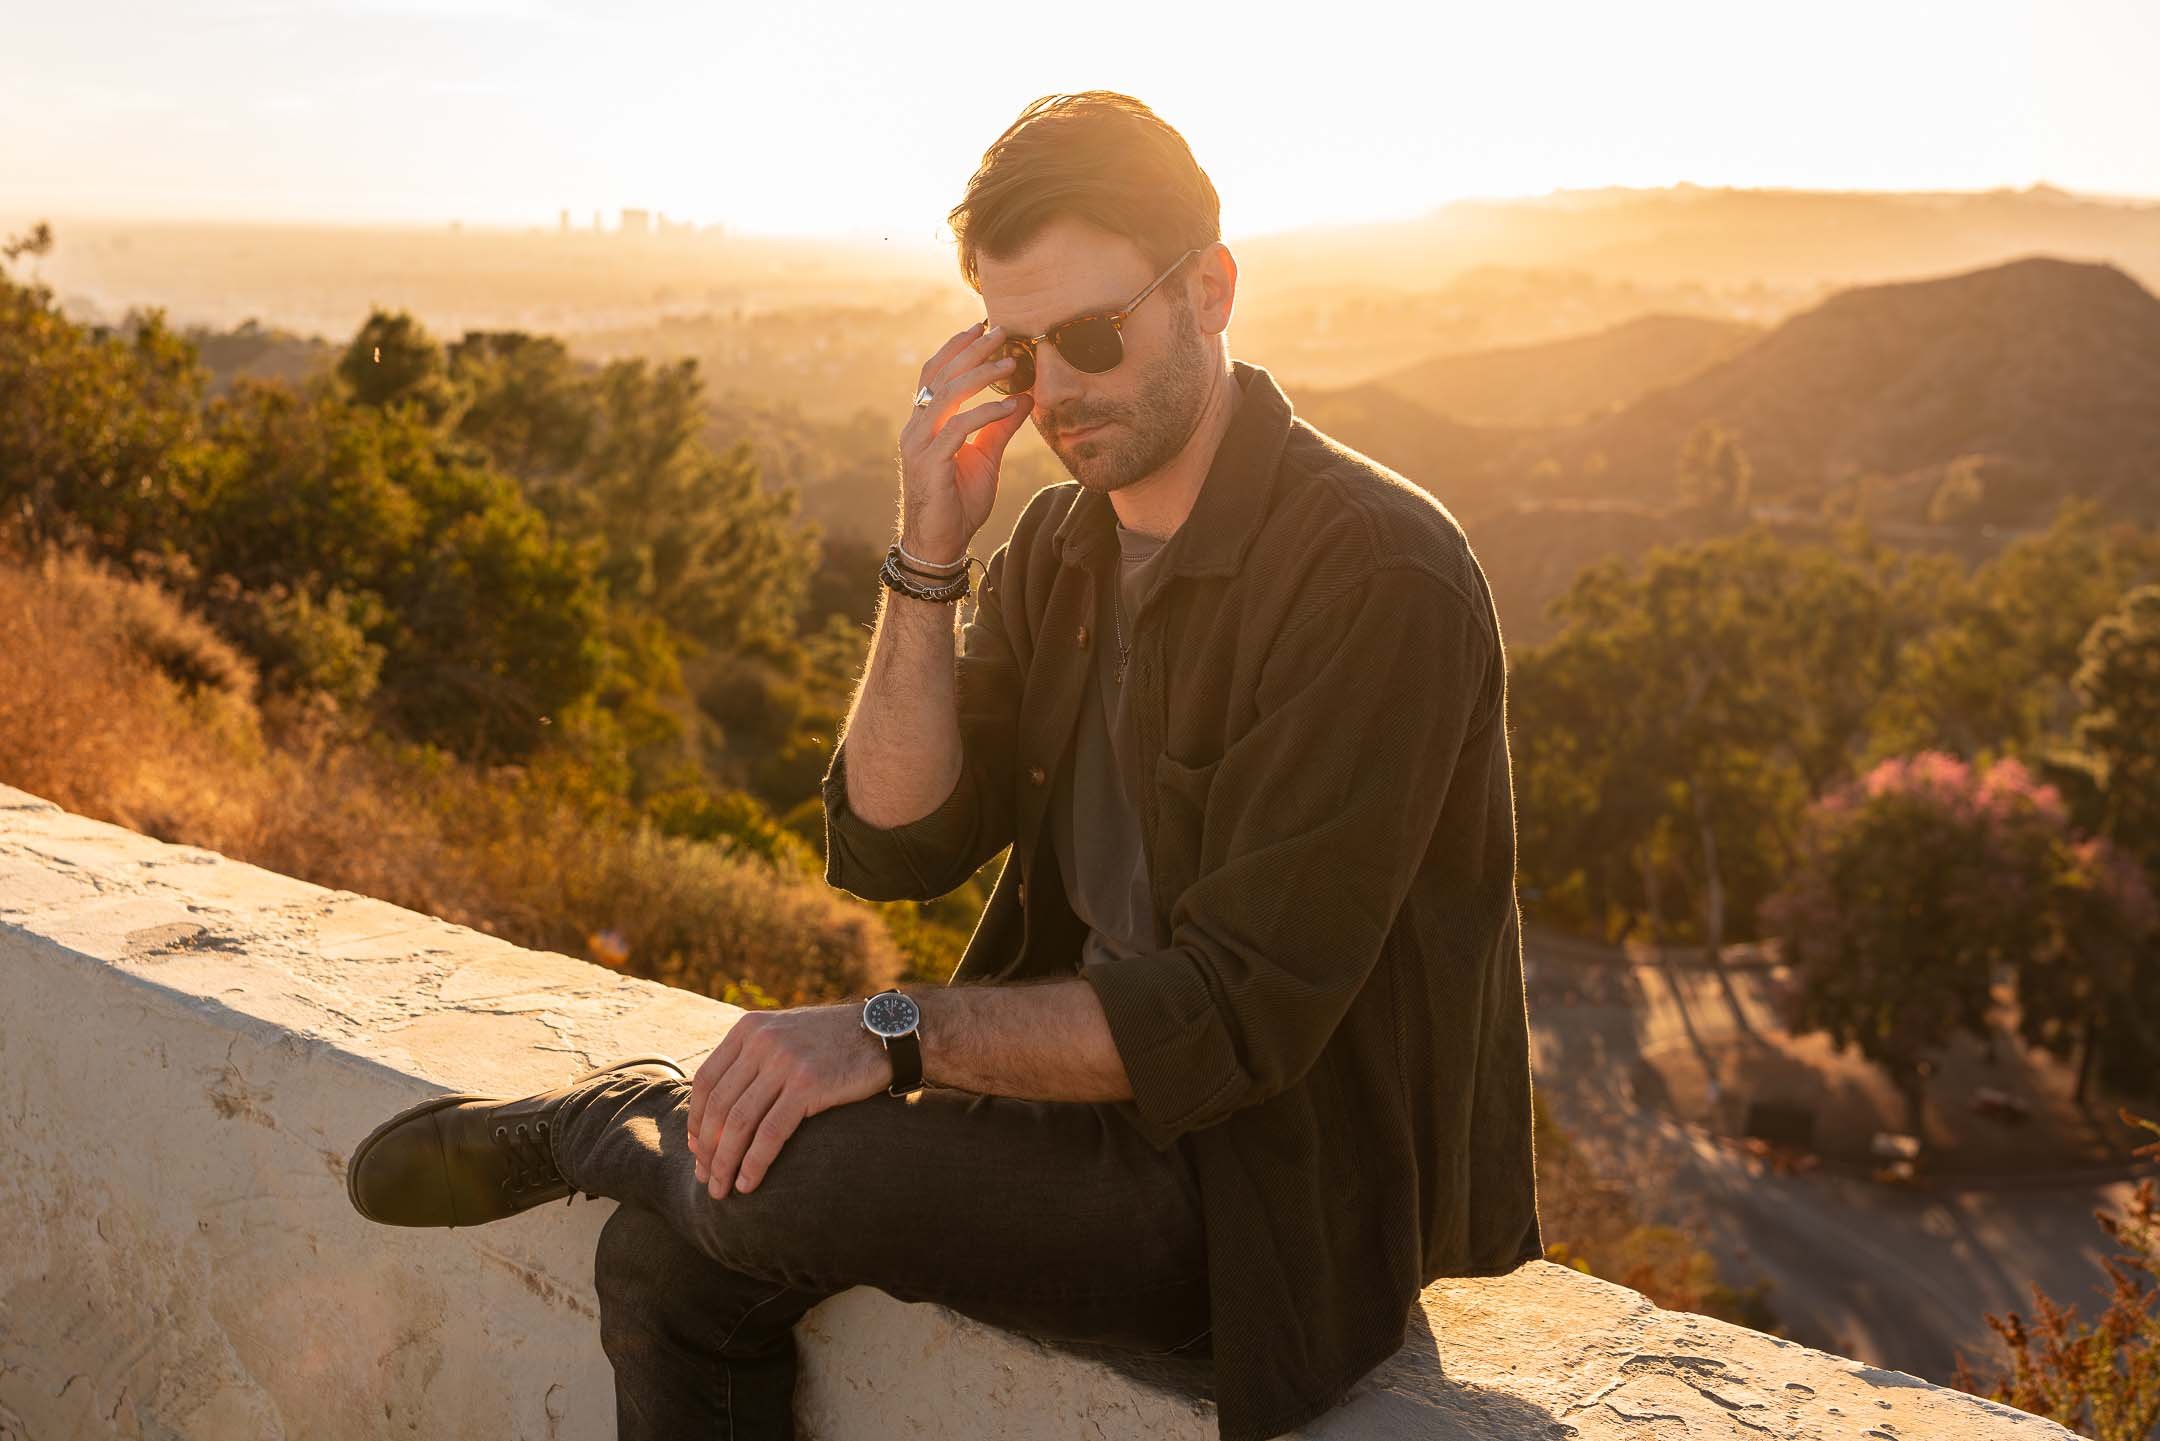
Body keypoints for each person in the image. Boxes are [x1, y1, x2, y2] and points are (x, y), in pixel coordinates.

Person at [345, 89, 1543, 1441]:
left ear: (1210, 291)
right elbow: (894, 840)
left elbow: (1232, 1014)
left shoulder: (1372, 574)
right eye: (1020, 354)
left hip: (1262, 1194)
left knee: (755, 1188)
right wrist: (929, 551)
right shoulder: (1057, 547)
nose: (1059, 393)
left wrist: (890, 1036)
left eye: (1092, 333)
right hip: (1065, 1118)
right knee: (667, 1256)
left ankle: (604, 1123)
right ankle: (641, 1137)